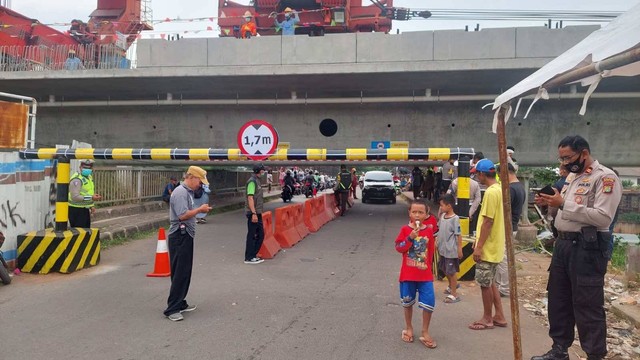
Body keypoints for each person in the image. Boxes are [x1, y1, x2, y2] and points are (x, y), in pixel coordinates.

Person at [533, 135, 622, 360]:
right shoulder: (573, 177)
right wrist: (550, 204)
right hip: (563, 245)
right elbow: (564, 210)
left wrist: (563, 203)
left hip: (587, 247)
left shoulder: (605, 178)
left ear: (584, 153)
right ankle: (559, 350)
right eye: (561, 158)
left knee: (587, 303)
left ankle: (594, 355)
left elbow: (603, 218)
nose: (564, 163)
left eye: (568, 158)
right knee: (558, 299)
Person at [164, 166, 212, 321]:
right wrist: (200, 210)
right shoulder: (180, 193)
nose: (200, 185)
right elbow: (182, 215)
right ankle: (172, 308)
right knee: (180, 272)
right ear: (191, 177)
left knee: (184, 271)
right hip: (180, 236)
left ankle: (180, 302)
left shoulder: (188, 192)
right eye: (199, 181)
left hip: (186, 235)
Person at [469, 159, 507, 330]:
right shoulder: (500, 189)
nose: (477, 177)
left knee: (485, 283)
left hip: (488, 247)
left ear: (482, 174)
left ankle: (487, 318)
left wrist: (479, 246)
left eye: (477, 174)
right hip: (495, 244)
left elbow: (487, 222)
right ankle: (499, 315)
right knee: (490, 281)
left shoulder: (491, 193)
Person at [395, 199, 437, 349]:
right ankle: (409, 327)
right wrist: (410, 238)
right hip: (408, 275)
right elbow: (399, 248)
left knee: (429, 303)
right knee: (407, 302)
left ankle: (425, 331)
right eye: (414, 212)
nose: (417, 215)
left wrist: (431, 270)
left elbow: (431, 251)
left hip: (425, 275)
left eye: (421, 212)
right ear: (409, 213)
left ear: (427, 214)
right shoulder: (405, 230)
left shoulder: (429, 230)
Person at [494, 163, 526, 297]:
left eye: (500, 175)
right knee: (505, 258)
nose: (500, 178)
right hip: (512, 226)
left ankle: (505, 288)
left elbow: (504, 209)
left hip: (507, 227)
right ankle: (501, 285)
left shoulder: (511, 189)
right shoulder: (520, 187)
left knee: (503, 259)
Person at [437, 194, 463, 303]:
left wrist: (459, 248)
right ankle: (452, 285)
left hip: (451, 250)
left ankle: (454, 294)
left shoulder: (455, 219)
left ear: (449, 206)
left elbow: (459, 234)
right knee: (444, 269)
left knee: (451, 272)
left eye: (442, 206)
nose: (441, 208)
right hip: (443, 249)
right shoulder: (443, 217)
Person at [68, 159, 102, 228]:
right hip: (76, 210)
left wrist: (91, 205)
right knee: (79, 233)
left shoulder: (89, 177)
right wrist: (91, 198)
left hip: (84, 209)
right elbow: (75, 197)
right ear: (80, 167)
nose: (86, 169)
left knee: (86, 232)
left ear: (92, 168)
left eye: (88, 168)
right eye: (84, 167)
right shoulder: (77, 179)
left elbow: (88, 192)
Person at [245, 164, 266, 264]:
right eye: (262, 170)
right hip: (253, 213)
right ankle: (249, 257)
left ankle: (253, 255)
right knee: (252, 235)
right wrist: (253, 213)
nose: (263, 172)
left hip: (257, 212)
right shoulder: (252, 182)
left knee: (260, 234)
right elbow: (250, 197)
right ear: (258, 171)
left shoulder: (257, 181)